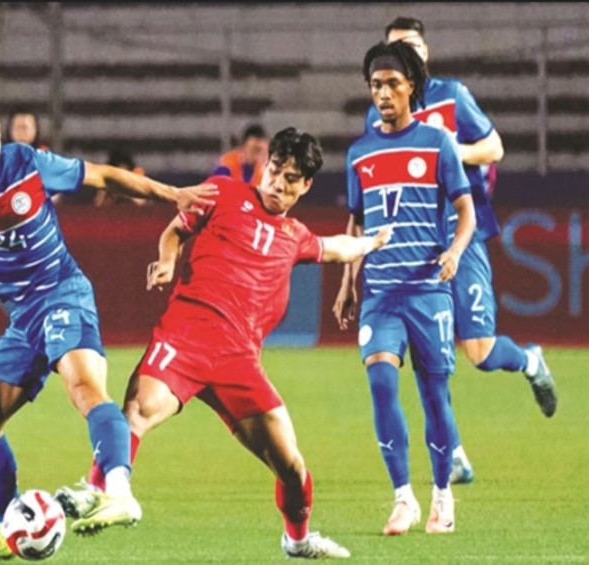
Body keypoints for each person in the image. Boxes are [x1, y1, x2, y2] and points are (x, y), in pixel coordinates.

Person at [0, 93, 218, 560]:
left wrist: (173, 194)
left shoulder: (28, 163)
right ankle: (12, 528)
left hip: (61, 294)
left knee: (85, 390)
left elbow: (103, 175)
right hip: (22, 318)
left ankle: (119, 491)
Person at [57, 127, 395, 559]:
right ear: (264, 165)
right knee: (137, 410)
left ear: (305, 185)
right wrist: (166, 259)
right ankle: (100, 490)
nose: (278, 182)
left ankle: (297, 539)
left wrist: (370, 242)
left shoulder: (295, 235)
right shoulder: (221, 193)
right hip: (186, 337)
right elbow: (174, 232)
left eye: (291, 178)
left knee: (291, 466)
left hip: (239, 362)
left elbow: (336, 247)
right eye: (275, 170)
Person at [351, 16, 557, 486]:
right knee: (425, 360)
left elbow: (495, 147)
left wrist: (450, 151)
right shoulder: (377, 114)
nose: (407, 54)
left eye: (413, 46)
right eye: (397, 48)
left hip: (461, 236)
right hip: (414, 248)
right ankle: (456, 455)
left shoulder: (452, 96)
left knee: (479, 352)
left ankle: (530, 361)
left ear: (425, 53)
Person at [335, 40, 479, 536]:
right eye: (376, 85)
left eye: (392, 83)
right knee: (380, 383)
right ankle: (403, 498)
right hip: (381, 294)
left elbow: (466, 210)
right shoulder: (359, 153)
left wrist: (456, 252)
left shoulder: (437, 144)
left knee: (436, 396)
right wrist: (347, 280)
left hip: (428, 291)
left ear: (412, 86)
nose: (383, 93)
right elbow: (356, 222)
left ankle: (442, 495)